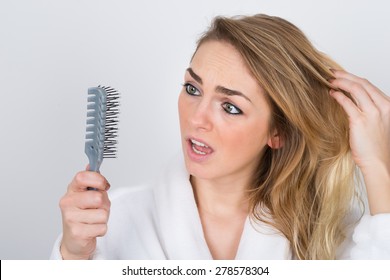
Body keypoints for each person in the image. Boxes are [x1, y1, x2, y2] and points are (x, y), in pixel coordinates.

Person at [51, 14, 390, 260]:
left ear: (278, 132)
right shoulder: (116, 220)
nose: (196, 118)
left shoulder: (330, 232)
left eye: (230, 107)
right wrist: (72, 255)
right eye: (192, 88)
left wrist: (377, 166)